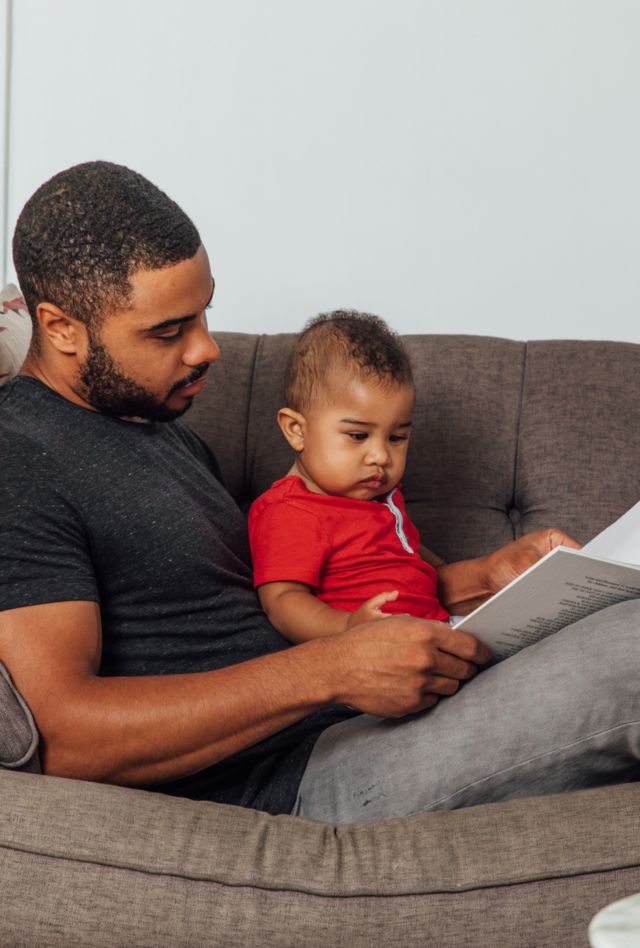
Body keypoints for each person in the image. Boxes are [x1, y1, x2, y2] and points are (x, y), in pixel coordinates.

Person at [1, 161, 638, 824]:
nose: (206, 350)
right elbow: (59, 736)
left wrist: (486, 581)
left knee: (614, 613)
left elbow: (324, 590)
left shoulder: (162, 429)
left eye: (203, 315)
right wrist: (333, 671)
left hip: (342, 727)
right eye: (168, 331)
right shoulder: (19, 457)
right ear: (61, 326)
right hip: (285, 785)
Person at [248, 310, 451, 643]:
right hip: (372, 656)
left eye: (396, 438)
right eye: (358, 436)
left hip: (439, 631)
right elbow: (282, 601)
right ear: (297, 430)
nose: (381, 457)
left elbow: (414, 560)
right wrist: (347, 627)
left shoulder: (380, 499)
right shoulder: (291, 511)